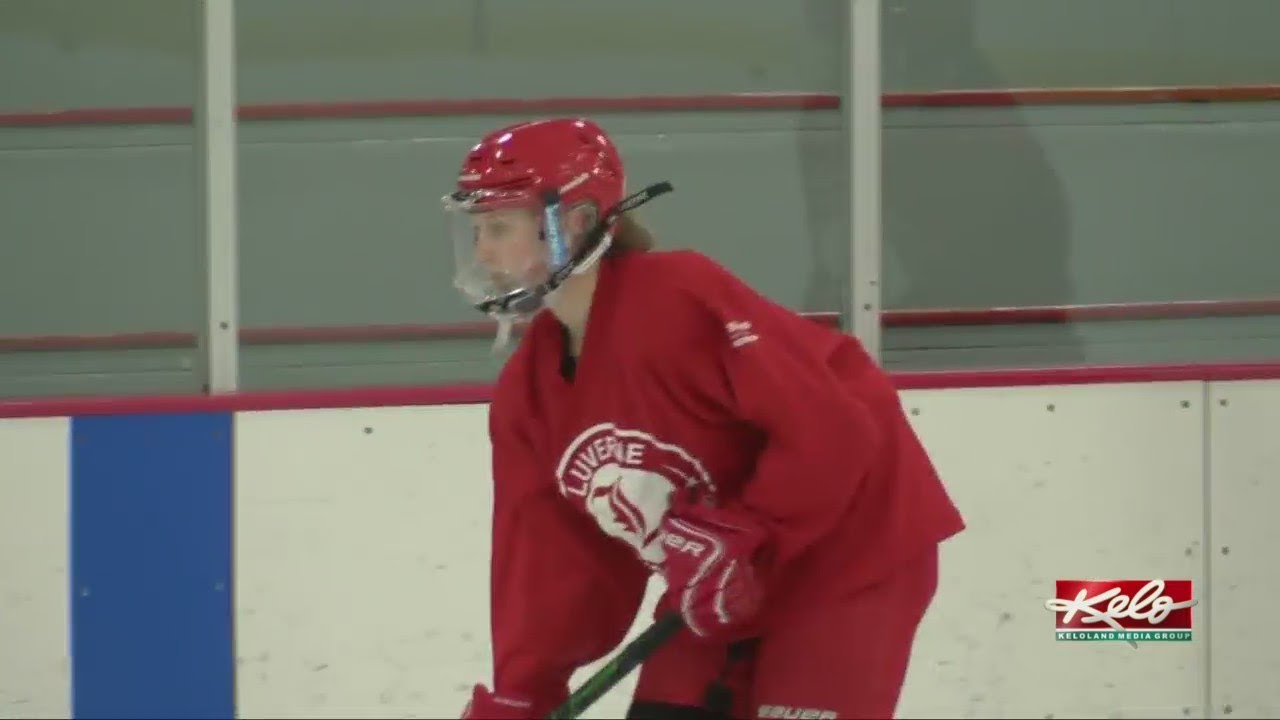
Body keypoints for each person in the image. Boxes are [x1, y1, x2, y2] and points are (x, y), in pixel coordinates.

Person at [446, 117, 965, 720]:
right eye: (477, 230)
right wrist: (525, 690)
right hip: (713, 586)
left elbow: (836, 427)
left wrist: (751, 527)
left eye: (500, 227)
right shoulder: (526, 394)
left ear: (577, 223)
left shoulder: (680, 297)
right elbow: (544, 559)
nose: (483, 250)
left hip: (845, 559)